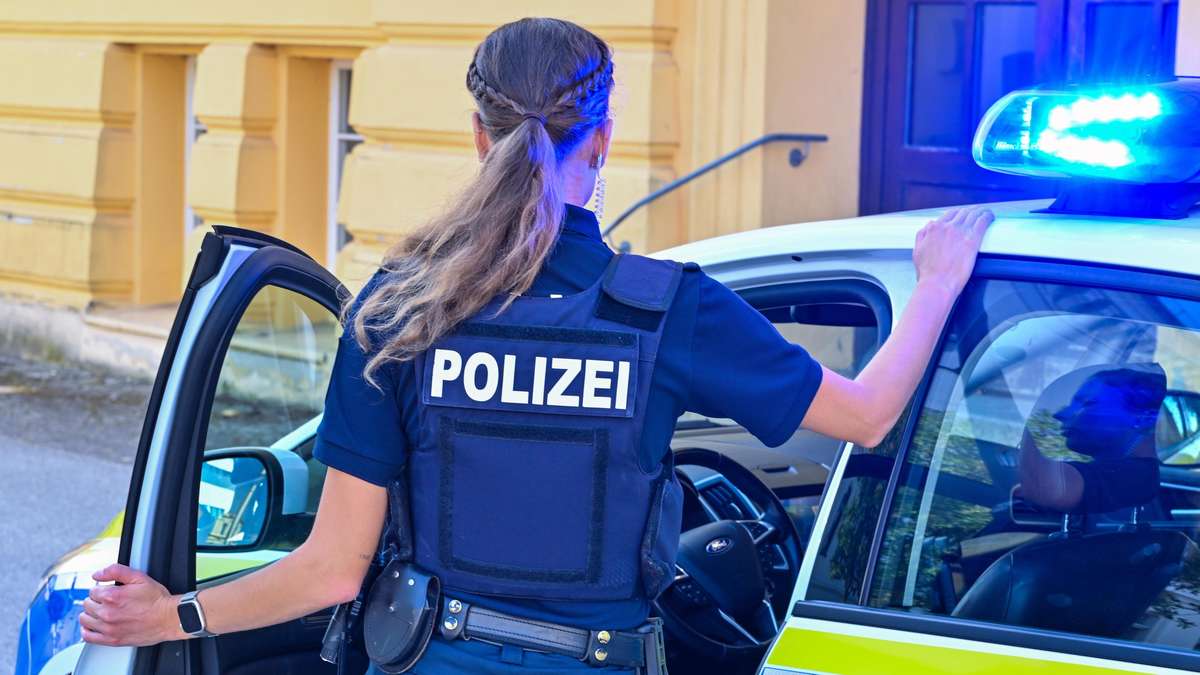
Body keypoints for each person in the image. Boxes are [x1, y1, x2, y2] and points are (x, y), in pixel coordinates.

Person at [79, 17, 993, 674]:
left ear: (479, 137)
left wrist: (171, 615)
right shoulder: (668, 309)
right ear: (603, 141)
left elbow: (332, 568)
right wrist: (936, 284)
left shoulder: (400, 311)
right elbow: (867, 415)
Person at [1017, 363, 1167, 514]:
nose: (1060, 414)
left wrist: (1019, 420)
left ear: (1143, 419)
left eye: (1087, 403)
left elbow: (1049, 491)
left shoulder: (1140, 477)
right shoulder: (1115, 471)